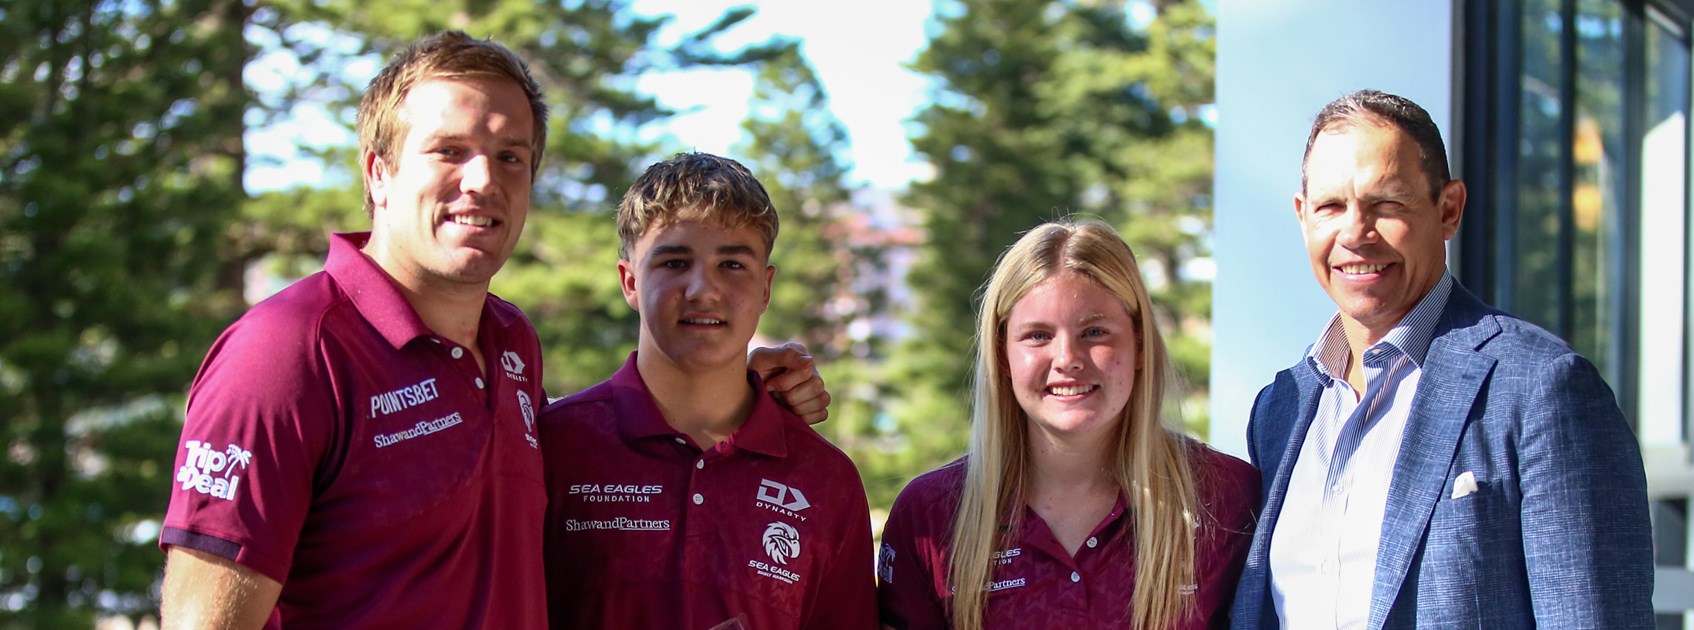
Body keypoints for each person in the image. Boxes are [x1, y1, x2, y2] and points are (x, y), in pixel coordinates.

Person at [157, 33, 828, 629]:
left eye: (511, 157)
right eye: (450, 151)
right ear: (378, 173)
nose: (482, 181)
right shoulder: (287, 352)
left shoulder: (510, 345)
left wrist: (732, 376)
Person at [1229, 90, 1653, 629]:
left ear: (1448, 209)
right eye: (1331, 207)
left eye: (1387, 204)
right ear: (1302, 216)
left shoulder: (1542, 386)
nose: (1355, 234)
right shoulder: (1280, 409)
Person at [540, 152, 877, 629]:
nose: (703, 290)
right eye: (675, 262)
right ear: (630, 281)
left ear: (766, 287)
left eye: (732, 264)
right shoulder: (553, 447)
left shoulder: (825, 480)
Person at [877, 219, 1260, 630]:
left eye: (1094, 331)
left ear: (1140, 346)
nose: (1067, 359)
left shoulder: (1230, 500)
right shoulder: (931, 515)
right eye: (1038, 336)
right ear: (1002, 355)